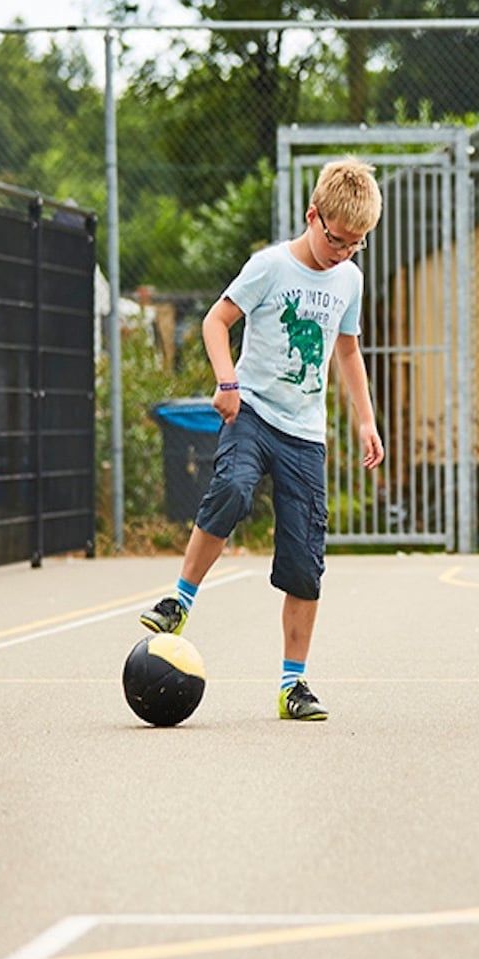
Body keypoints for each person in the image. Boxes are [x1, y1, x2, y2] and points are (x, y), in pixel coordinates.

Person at [139, 159, 385, 722]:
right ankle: (180, 599)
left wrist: (366, 420)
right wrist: (227, 382)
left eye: (357, 244)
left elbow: (347, 349)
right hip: (252, 411)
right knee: (232, 488)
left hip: (304, 433)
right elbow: (214, 321)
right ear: (312, 215)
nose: (344, 252)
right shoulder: (270, 267)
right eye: (337, 238)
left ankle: (293, 685)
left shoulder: (349, 278)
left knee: (305, 558)